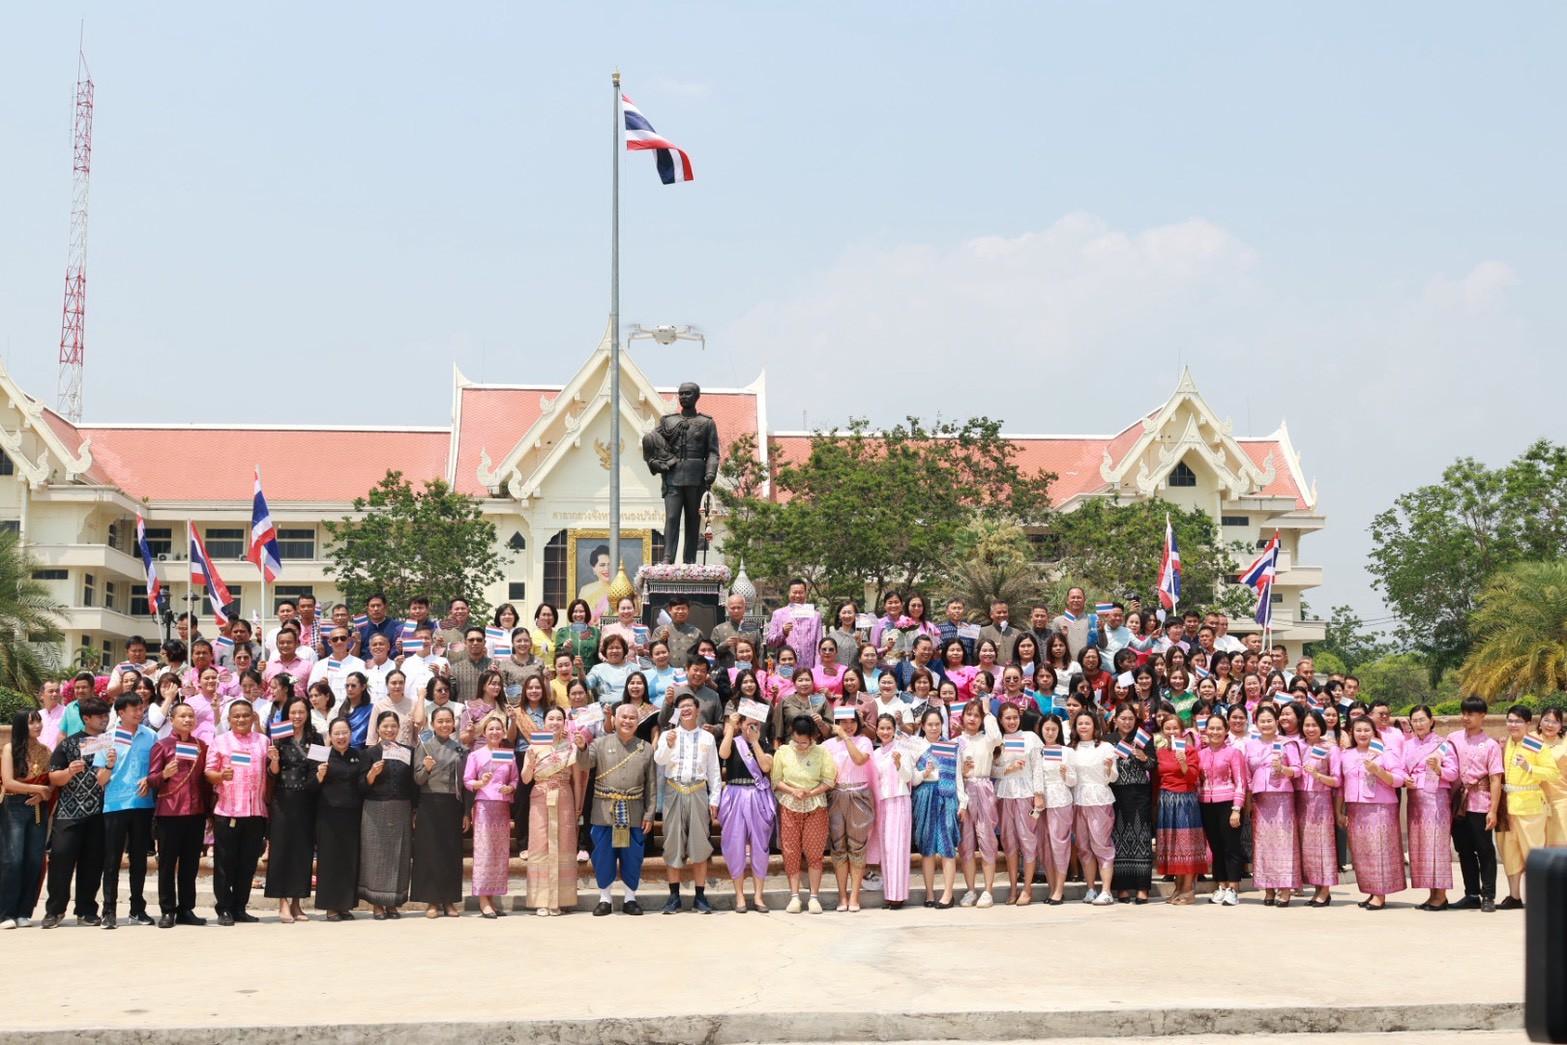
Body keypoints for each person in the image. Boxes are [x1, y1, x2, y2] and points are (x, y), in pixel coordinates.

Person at [577, 702, 658, 916]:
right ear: (614, 719)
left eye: (632, 718)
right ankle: (605, 898)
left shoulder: (646, 747)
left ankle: (630, 898)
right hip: (604, 811)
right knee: (603, 854)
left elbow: (651, 784)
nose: (627, 721)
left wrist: (650, 813)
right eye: (623, 717)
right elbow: (585, 764)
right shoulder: (599, 744)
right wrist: (582, 747)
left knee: (632, 856)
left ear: (637, 721)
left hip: (634, 810)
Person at [204, 699, 270, 925]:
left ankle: (240, 907)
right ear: (229, 719)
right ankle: (224, 908)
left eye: (245, 715)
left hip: (255, 811)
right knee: (225, 862)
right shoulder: (220, 741)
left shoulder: (263, 741)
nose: (241, 719)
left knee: (248, 863)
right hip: (228, 810)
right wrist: (221, 776)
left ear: (253, 717)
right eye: (237, 716)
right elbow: (208, 772)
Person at [655, 692, 721, 914]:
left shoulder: (707, 738)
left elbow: (713, 770)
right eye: (681, 706)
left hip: (698, 791)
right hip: (674, 791)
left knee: (699, 844)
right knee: (672, 843)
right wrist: (668, 745)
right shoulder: (669, 735)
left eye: (689, 706)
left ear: (697, 709)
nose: (685, 709)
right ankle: (674, 896)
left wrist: (714, 798)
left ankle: (700, 897)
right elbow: (659, 761)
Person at [97, 693, 158, 929]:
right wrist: (110, 764)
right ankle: (109, 910)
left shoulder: (151, 736)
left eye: (140, 708)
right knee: (111, 859)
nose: (138, 712)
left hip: (143, 805)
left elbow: (155, 770)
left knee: (139, 861)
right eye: (133, 708)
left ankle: (137, 909)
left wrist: (149, 779)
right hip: (115, 805)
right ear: (120, 713)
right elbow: (100, 780)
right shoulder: (106, 739)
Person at [146, 703, 208, 927]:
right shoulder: (162, 746)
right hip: (169, 812)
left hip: (196, 811)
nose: (188, 719)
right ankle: (167, 909)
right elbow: (151, 780)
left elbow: (205, 781)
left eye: (191, 716)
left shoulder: (202, 746)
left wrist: (208, 811)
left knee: (191, 864)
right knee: (167, 863)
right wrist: (164, 773)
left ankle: (186, 909)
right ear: (172, 720)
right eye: (183, 716)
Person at [1496, 704, 1562, 909]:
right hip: (1507, 807)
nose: (1513, 724)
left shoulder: (1534, 743)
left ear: (1527, 724)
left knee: (1533, 853)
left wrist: (1530, 767)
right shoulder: (1506, 742)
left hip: (1530, 807)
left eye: (1517, 721)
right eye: (1510, 720)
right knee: (1509, 853)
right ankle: (1514, 896)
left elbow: (1552, 773)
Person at [1339, 716, 1407, 910]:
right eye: (1358, 730)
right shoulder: (1346, 754)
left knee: (1379, 850)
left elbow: (1399, 780)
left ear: (1374, 732)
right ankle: (1371, 890)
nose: (1362, 734)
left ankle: (1380, 894)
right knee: (1362, 852)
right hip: (1356, 808)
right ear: (1352, 733)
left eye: (1366, 730)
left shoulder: (1386, 753)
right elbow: (1341, 783)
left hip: (1380, 807)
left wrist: (1379, 771)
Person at [771, 715, 836, 914]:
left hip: (815, 805)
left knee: (815, 852)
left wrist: (811, 792)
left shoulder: (822, 752)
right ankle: (794, 896)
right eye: (797, 741)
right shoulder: (783, 751)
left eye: (804, 742)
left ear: (813, 738)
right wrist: (793, 791)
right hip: (790, 804)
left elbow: (829, 780)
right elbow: (776, 780)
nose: (800, 746)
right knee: (791, 851)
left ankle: (814, 897)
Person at [264, 696, 321, 923]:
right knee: (281, 852)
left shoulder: (315, 737)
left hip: (306, 800)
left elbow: (317, 768)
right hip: (282, 800)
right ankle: (283, 903)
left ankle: (298, 902)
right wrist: (274, 761)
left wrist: (321, 774)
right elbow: (272, 773)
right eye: (293, 712)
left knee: (303, 852)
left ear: (307, 713)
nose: (297, 716)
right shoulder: (279, 737)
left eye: (301, 712)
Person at [1447, 695, 1504, 912]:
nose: (1466, 717)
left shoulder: (1490, 745)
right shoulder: (1452, 738)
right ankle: (1471, 894)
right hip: (1458, 802)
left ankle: (1488, 895)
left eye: (1471, 713)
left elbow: (1495, 778)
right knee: (1464, 850)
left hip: (1480, 803)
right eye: (1464, 713)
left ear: (1483, 716)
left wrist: (1493, 810)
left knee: (1485, 850)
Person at [357, 710, 416, 919]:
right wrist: (371, 774)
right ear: (378, 729)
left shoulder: (408, 751)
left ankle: (393, 902)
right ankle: (376, 904)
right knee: (376, 855)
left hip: (402, 807)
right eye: (385, 726)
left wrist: (414, 810)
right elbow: (361, 787)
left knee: (399, 856)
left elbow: (413, 784)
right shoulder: (368, 753)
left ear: (399, 729)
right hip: (375, 808)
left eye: (393, 726)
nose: (389, 730)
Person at [522, 707, 580, 916]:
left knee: (563, 844)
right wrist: (529, 759)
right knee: (540, 844)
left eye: (559, 719)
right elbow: (525, 779)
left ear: (564, 723)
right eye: (551, 718)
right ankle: (541, 900)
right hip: (540, 795)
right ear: (544, 722)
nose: (554, 722)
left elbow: (577, 780)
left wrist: (578, 806)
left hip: (564, 795)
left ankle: (559, 900)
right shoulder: (534, 746)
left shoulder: (570, 747)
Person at [718, 706, 775, 913]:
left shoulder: (765, 743)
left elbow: (766, 767)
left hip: (757, 795)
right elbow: (723, 753)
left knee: (760, 846)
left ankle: (759, 895)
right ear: (740, 724)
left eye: (756, 724)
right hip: (735, 794)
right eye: (748, 723)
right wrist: (730, 729)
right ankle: (740, 895)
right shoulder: (733, 741)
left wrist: (755, 742)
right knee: (735, 845)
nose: (752, 727)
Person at [411, 705, 466, 918]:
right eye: (440, 721)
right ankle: (432, 901)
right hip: (429, 802)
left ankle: (449, 901)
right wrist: (426, 768)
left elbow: (464, 781)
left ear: (453, 724)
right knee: (430, 853)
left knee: (451, 853)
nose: (444, 724)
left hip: (453, 803)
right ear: (433, 724)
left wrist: (466, 812)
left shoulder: (460, 749)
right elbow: (417, 779)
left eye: (448, 721)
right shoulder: (424, 747)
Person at [1244, 704, 1302, 906]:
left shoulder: (1288, 743)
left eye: (1269, 720)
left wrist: (1284, 769)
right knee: (1264, 843)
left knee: (1283, 842)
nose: (1266, 724)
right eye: (1262, 721)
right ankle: (1268, 887)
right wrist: (1249, 795)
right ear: (1256, 723)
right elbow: (1247, 772)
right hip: (1260, 798)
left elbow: (1298, 770)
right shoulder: (1250, 745)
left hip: (1282, 797)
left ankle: (1285, 888)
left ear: (1276, 722)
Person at [1402, 704, 1458, 910]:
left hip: (1436, 799)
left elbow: (1453, 773)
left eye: (1422, 719)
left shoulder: (1443, 745)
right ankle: (1431, 893)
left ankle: (1441, 895)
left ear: (1431, 721)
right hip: (1415, 799)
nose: (1418, 724)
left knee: (1437, 846)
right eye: (1414, 720)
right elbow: (1400, 768)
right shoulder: (1407, 745)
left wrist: (1439, 769)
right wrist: (1403, 778)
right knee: (1422, 847)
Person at [0, 711, 51, 928]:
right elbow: (9, 783)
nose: (37, 725)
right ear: (22, 725)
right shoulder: (10, 749)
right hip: (13, 807)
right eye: (32, 722)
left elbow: (51, 785)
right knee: (13, 860)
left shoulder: (45, 751)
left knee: (33, 860)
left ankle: (24, 911)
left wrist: (42, 793)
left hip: (38, 808)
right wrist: (37, 788)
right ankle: (6, 912)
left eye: (38, 720)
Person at [464, 714, 518, 918]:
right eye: (491, 729)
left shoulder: (508, 754)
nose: (495, 732)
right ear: (484, 732)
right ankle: (483, 900)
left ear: (503, 732)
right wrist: (480, 783)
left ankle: (493, 898)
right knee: (485, 851)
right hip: (484, 805)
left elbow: (515, 779)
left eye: (498, 729)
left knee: (500, 852)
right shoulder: (475, 755)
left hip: (502, 806)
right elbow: (467, 780)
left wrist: (509, 788)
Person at [822, 707, 875, 912]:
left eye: (852, 721)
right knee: (838, 846)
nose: (848, 725)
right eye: (843, 722)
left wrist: (846, 738)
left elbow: (860, 760)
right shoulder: (826, 745)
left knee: (857, 846)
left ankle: (855, 896)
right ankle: (842, 896)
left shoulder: (864, 741)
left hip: (859, 795)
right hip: (836, 795)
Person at [991, 703, 1044, 906]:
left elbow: (1038, 768)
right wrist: (1007, 769)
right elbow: (992, 771)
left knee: (1027, 841)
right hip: (1005, 794)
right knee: (1009, 842)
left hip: (1026, 793)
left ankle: (1027, 889)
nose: (1011, 721)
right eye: (1007, 718)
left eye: (1014, 717)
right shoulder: (998, 741)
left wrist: (1039, 794)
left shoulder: (1030, 738)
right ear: (1001, 720)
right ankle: (1013, 888)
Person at [1105, 703, 1157, 903]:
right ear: (1115, 719)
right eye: (1123, 718)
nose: (1127, 722)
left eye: (1130, 719)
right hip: (1117, 794)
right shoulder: (1108, 740)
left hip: (1140, 794)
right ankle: (1123, 887)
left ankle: (1142, 887)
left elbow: (1153, 765)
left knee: (1142, 839)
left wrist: (1144, 758)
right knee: (1119, 839)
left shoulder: (1143, 739)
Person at [1067, 708, 1118, 906]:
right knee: (1083, 847)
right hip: (1078, 800)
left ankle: (1106, 890)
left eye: (1087, 723)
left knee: (1101, 845)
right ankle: (1090, 889)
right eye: (1080, 723)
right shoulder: (1071, 748)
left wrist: (1108, 768)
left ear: (1095, 726)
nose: (1083, 727)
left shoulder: (1106, 748)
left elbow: (1113, 777)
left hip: (1100, 799)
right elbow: (1071, 779)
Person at [953, 700, 1002, 908]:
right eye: (969, 714)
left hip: (983, 788)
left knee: (987, 841)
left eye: (976, 715)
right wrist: (963, 773)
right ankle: (971, 889)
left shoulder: (987, 739)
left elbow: (997, 737)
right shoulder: (956, 741)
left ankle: (988, 890)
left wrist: (989, 712)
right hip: (963, 790)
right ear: (962, 717)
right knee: (965, 844)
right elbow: (953, 772)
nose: (972, 718)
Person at [314, 719, 363, 921]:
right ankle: (330, 906)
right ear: (330, 736)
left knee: (349, 859)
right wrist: (319, 776)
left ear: (350, 734)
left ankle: (345, 905)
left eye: (345, 733)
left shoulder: (358, 755)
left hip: (352, 814)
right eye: (337, 733)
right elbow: (309, 786)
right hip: (328, 815)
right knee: (329, 860)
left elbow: (362, 784)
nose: (341, 737)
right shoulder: (320, 754)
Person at [1154, 711, 1204, 905]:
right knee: (1172, 846)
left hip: (1185, 799)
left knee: (1186, 846)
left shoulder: (1189, 750)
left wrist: (1183, 763)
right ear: (1162, 731)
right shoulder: (1161, 752)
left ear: (1182, 730)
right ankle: (1177, 887)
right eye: (1168, 728)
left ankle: (1188, 889)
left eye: (1175, 728)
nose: (1172, 731)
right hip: (1167, 800)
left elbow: (1193, 777)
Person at [1196, 713, 1246, 907]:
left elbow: (1241, 782)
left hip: (1227, 803)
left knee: (1231, 847)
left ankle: (1233, 888)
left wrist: (1237, 809)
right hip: (1206, 804)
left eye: (1219, 728)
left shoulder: (1233, 753)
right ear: (1206, 731)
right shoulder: (1201, 753)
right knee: (1216, 847)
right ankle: (1222, 886)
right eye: (1212, 728)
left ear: (1226, 731)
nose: (1215, 732)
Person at [868, 714, 916, 909]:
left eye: (889, 728)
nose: (885, 732)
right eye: (882, 728)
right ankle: (890, 894)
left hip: (899, 800)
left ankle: (899, 895)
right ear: (877, 730)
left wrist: (898, 764)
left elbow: (908, 777)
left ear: (894, 729)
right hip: (882, 802)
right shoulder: (875, 754)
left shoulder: (902, 749)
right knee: (886, 849)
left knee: (899, 848)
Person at [1296, 709, 1342, 907]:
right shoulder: (1298, 746)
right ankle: (1316, 888)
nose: (1310, 729)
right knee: (1308, 848)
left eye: (1314, 725)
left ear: (1321, 727)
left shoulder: (1331, 748)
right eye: (1307, 725)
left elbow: (1337, 780)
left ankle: (1325, 890)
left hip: (1321, 801)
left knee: (1323, 846)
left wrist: (1318, 776)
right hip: (1301, 801)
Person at [1031, 714, 1074, 905]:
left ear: (1059, 731)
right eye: (1046, 729)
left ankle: (1059, 888)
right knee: (1044, 846)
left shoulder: (1067, 752)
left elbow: (1074, 781)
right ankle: (1051, 887)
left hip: (1061, 799)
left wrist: (1066, 774)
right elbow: (1034, 775)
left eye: (1053, 729)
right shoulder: (1037, 751)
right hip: (1040, 803)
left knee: (1059, 844)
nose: (1049, 733)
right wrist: (1038, 795)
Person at [767, 578, 824, 670]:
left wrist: (817, 670)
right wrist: (783, 633)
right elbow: (770, 642)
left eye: (800, 592)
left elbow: (819, 645)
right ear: (789, 593)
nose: (797, 595)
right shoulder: (778, 614)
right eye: (794, 592)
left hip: (808, 670)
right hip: (785, 670)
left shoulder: (815, 616)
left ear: (805, 594)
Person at [1539, 707, 1567, 847]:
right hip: (1535, 800)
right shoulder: (1531, 739)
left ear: (1561, 725)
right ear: (1540, 722)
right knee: (1538, 842)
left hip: (1561, 799)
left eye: (1555, 722)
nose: (1550, 725)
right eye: (1546, 720)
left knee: (1560, 841)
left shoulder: (1565, 741)